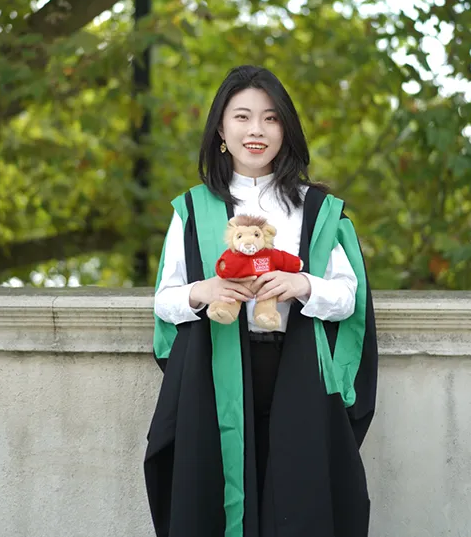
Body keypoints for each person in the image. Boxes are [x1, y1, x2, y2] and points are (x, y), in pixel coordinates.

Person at [144, 65, 378, 537]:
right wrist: (202, 292)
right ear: (221, 131)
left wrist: (304, 286)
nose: (256, 130)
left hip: (298, 372)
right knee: (211, 500)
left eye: (271, 119)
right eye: (243, 117)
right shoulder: (191, 210)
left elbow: (348, 297)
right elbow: (165, 301)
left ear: (286, 131)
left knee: (300, 500)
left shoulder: (317, 209)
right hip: (217, 369)